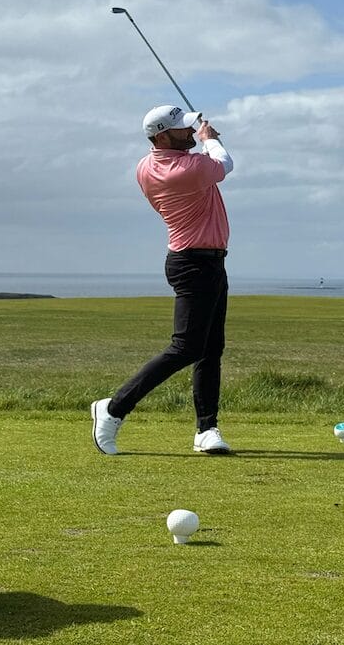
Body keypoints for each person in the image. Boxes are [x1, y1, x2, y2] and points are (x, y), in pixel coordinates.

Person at [91, 104, 234, 456]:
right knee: (186, 347)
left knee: (210, 349)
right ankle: (113, 408)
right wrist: (209, 139)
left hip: (208, 262)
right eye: (183, 128)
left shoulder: (146, 166)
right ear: (162, 136)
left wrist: (202, 143)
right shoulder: (185, 171)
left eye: (191, 126)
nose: (191, 130)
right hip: (193, 264)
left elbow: (207, 164)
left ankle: (206, 429)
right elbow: (224, 164)